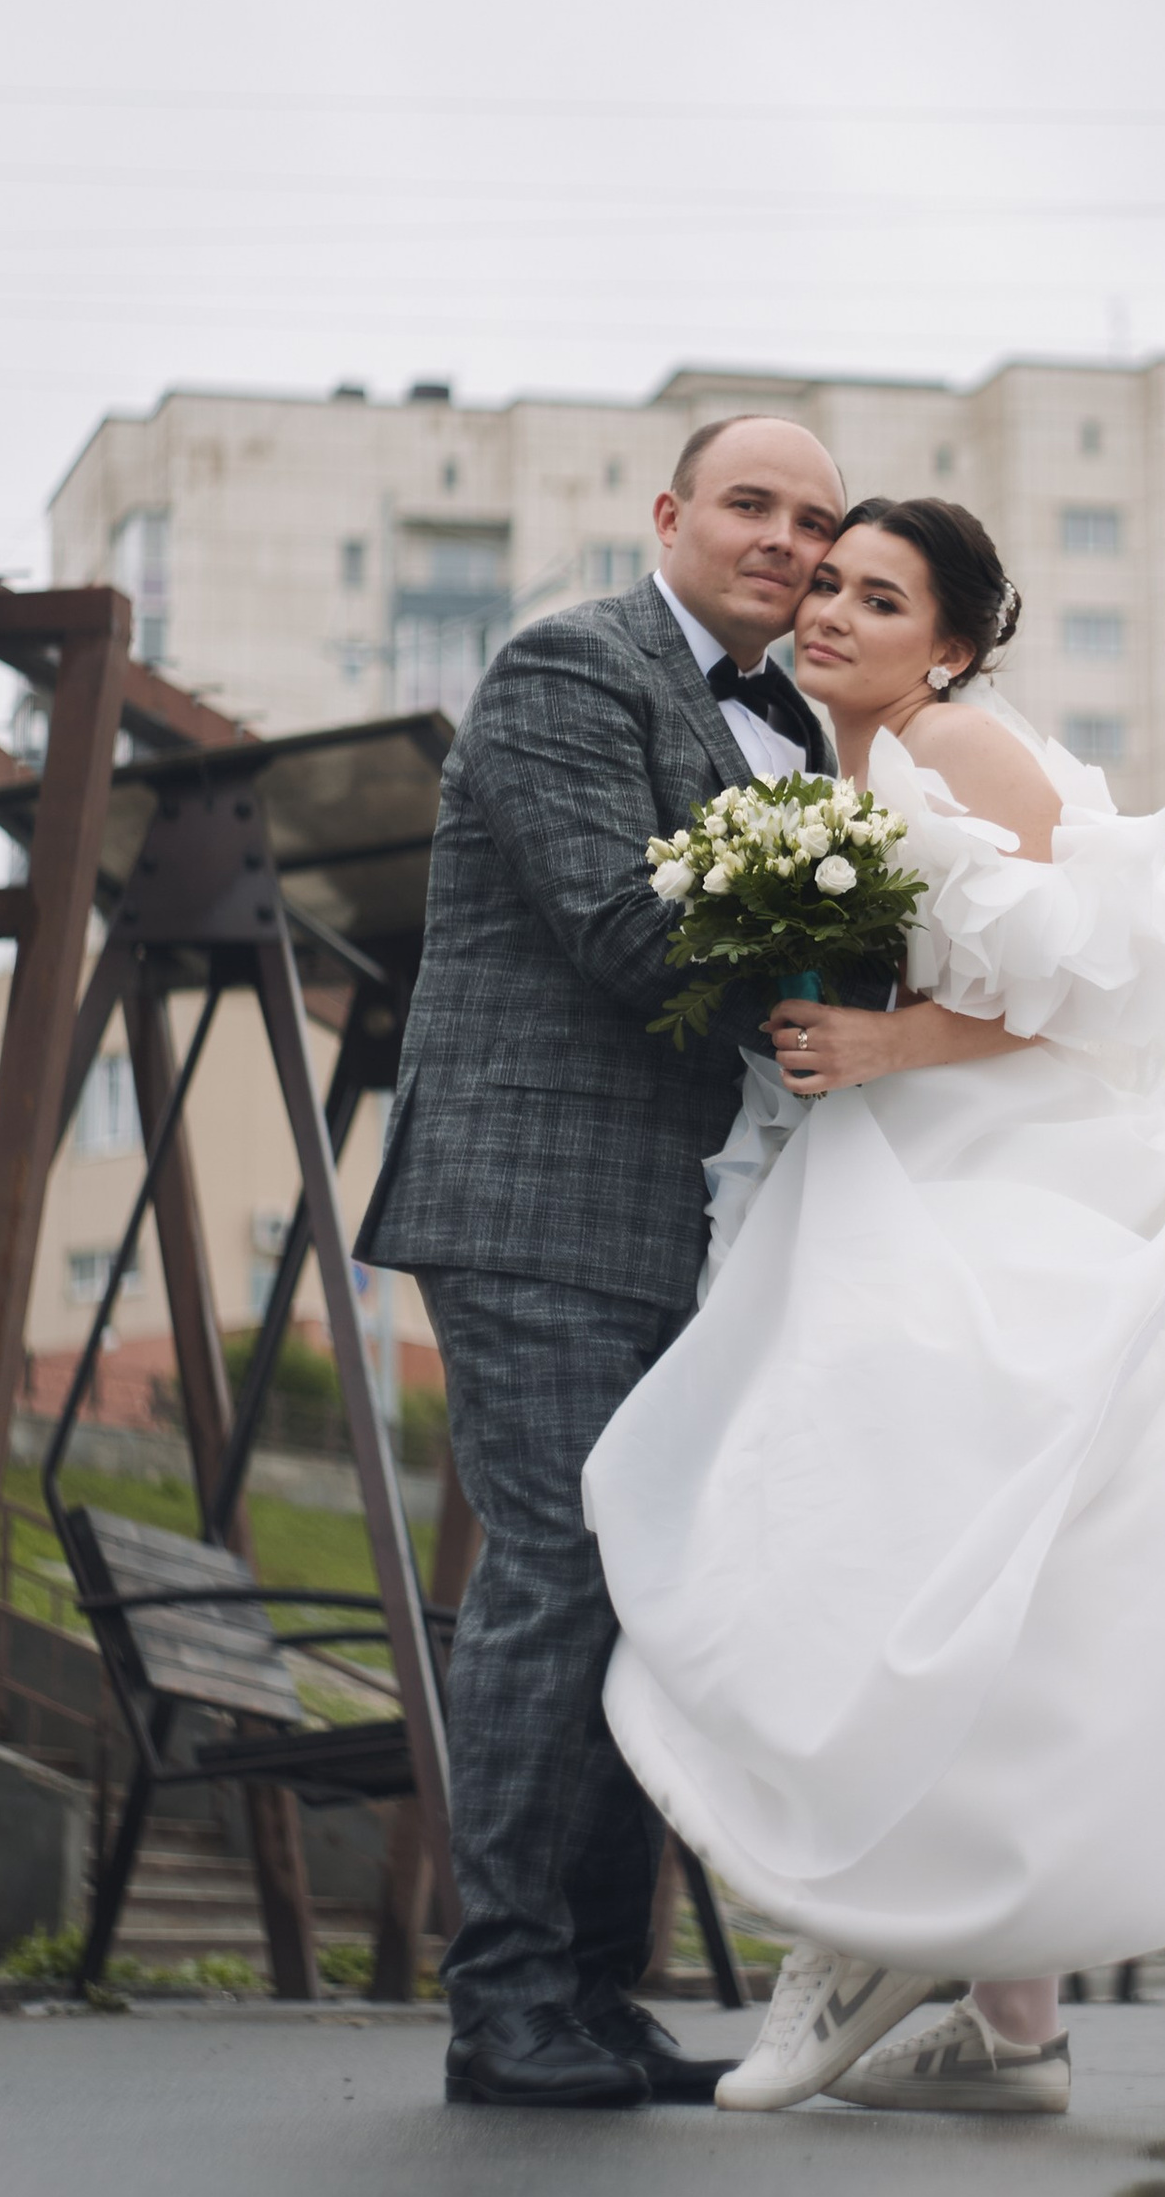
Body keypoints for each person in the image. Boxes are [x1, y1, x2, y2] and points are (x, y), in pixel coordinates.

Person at [587, 497, 1165, 2118]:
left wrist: (889, 1048)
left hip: (1012, 1180)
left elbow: (1094, 1002)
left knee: (909, 1530)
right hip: (909, 1164)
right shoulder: (853, 770)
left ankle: (861, 1928)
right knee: (950, 1555)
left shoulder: (961, 745)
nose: (830, 614)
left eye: (877, 598)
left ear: (946, 642)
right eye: (823, 587)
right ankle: (1013, 2028)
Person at [357, 413, 846, 2110]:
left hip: (687, 1226)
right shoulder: (569, 672)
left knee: (645, 1602)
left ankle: (591, 1989)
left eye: (816, 522)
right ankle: (502, 2001)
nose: (786, 539)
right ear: (671, 515)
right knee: (563, 1566)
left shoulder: (808, 735)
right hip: (532, 1196)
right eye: (753, 505)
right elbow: (636, 937)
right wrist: (863, 906)